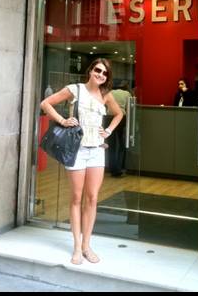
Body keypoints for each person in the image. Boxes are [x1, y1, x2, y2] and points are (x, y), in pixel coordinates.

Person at [40, 58, 123, 265]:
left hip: (97, 151)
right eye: (98, 70)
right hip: (76, 150)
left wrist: (109, 131)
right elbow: (46, 103)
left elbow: (119, 113)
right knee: (76, 198)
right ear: (90, 70)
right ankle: (77, 247)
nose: (101, 75)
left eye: (105, 74)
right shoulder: (75, 89)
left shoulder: (105, 95)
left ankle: (87, 246)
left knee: (92, 198)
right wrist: (62, 120)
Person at [107, 81, 132, 177]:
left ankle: (111, 168)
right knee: (121, 144)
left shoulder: (111, 92)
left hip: (109, 117)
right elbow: (130, 107)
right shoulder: (127, 94)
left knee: (111, 144)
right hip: (121, 118)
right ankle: (118, 168)